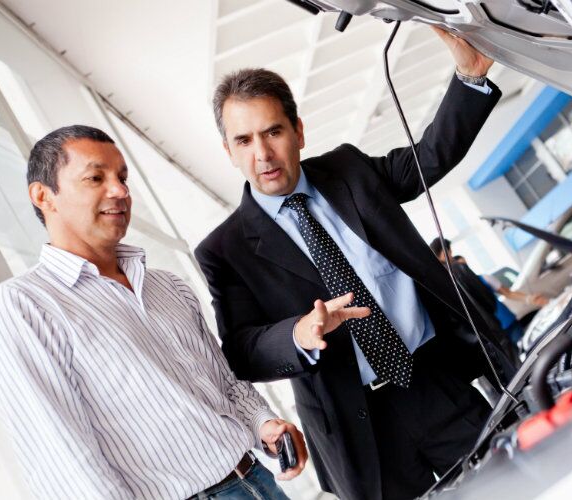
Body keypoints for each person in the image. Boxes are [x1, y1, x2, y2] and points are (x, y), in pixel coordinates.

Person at [195, 27, 516, 500]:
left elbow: (428, 159)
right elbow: (241, 350)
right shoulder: (224, 250)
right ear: (229, 152)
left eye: (273, 132)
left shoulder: (350, 170)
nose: (262, 154)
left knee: (515, 485)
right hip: (357, 425)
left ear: (298, 131)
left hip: (435, 381)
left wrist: (469, 78)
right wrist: (298, 335)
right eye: (243, 141)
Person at [0, 125, 308, 500]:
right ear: (44, 196)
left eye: (122, 177)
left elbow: (225, 385)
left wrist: (263, 424)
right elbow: (63, 459)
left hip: (256, 480)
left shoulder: (168, 286)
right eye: (95, 178)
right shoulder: (24, 306)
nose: (120, 190)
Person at [429, 237, 548, 344]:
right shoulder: (454, 287)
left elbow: (508, 293)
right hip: (494, 330)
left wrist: (529, 299)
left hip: (505, 324)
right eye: (460, 265)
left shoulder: (484, 278)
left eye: (463, 265)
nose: (463, 268)